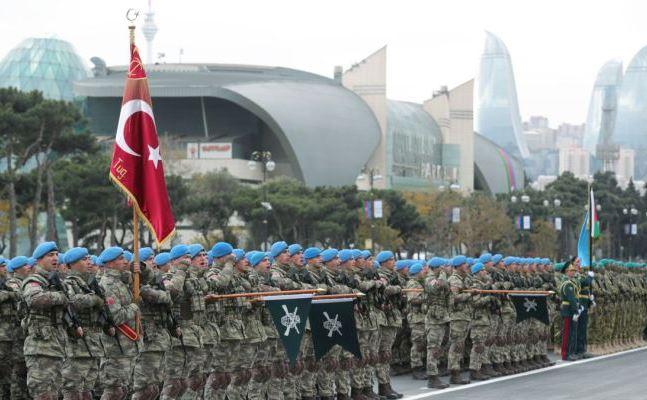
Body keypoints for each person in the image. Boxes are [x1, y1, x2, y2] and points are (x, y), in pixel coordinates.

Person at [22, 241, 69, 400]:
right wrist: (60, 297)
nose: (55, 258)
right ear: (39, 260)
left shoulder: (57, 281)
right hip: (40, 348)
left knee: (55, 393)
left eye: (56, 255)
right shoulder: (34, 280)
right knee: (43, 394)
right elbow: (34, 299)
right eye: (50, 255)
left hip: (56, 346)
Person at [61, 247, 105, 400]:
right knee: (73, 390)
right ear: (71, 265)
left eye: (88, 259)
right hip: (76, 345)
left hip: (93, 344)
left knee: (87, 390)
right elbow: (71, 302)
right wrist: (95, 299)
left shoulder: (90, 284)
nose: (89, 262)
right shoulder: (68, 283)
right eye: (84, 259)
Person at [98, 246, 140, 400]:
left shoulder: (120, 281)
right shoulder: (108, 285)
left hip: (126, 347)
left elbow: (140, 278)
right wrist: (135, 306)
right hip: (116, 348)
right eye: (121, 259)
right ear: (109, 263)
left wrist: (137, 269)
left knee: (123, 391)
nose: (125, 261)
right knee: (113, 392)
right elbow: (115, 317)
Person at [131, 251, 175, 400]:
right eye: (149, 260)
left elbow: (168, 298)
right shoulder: (135, 282)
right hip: (147, 340)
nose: (154, 262)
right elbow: (158, 296)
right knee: (143, 387)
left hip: (160, 338)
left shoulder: (155, 280)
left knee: (154, 387)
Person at [375, 251, 404, 399]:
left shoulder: (393, 274)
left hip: (393, 316)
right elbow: (385, 290)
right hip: (385, 317)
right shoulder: (381, 274)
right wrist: (399, 289)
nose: (394, 261)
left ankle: (386, 385)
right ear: (384, 262)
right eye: (391, 259)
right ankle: (383, 386)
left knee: (387, 353)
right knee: (383, 353)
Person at [447, 256, 471, 385]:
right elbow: (454, 298)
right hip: (457, 317)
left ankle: (456, 371)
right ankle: (454, 373)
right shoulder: (454, 280)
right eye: (464, 264)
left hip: (464, 316)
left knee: (460, 344)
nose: (466, 265)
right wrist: (469, 294)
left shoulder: (463, 278)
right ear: (458, 265)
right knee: (456, 345)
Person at [559, 262, 580, 361]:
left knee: (572, 332)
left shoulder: (572, 283)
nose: (573, 273)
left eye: (573, 271)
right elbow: (571, 299)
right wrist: (576, 310)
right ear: (567, 272)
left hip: (572, 309)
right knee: (567, 333)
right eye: (571, 271)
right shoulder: (567, 284)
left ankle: (571, 352)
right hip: (568, 310)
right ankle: (565, 354)